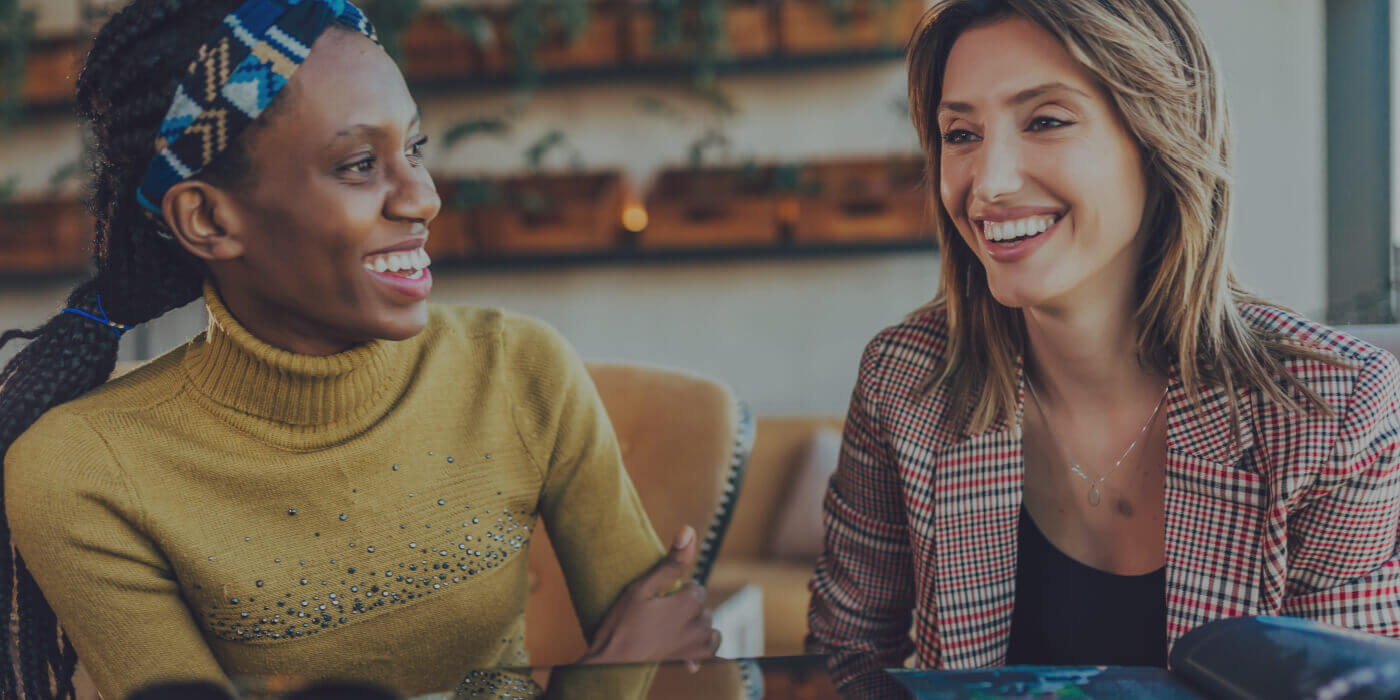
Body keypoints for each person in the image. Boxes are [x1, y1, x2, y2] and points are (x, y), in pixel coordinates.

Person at [0, 1, 718, 698]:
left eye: (414, 149)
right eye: (357, 165)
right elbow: (640, 646)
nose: (423, 196)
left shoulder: (521, 368)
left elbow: (677, 636)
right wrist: (606, 673)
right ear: (209, 217)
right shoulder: (82, 472)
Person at [807, 0, 1400, 692]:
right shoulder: (906, 379)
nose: (988, 183)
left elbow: (1346, 690)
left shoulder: (1331, 409)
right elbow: (841, 665)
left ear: (1159, 137)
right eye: (961, 133)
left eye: (1047, 121)